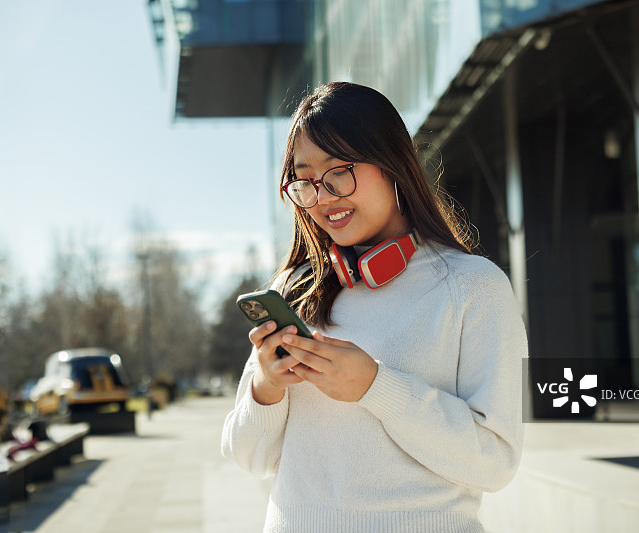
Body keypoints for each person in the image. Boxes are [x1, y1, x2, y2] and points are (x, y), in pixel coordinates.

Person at [221, 81, 527, 533]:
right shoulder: (294, 290)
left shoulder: (473, 287)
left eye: (338, 171)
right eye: (304, 182)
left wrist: (376, 387)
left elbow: (496, 461)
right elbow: (249, 458)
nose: (322, 197)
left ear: (392, 164)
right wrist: (266, 387)